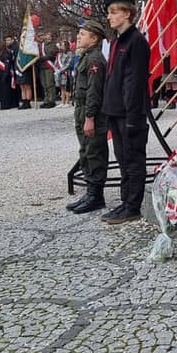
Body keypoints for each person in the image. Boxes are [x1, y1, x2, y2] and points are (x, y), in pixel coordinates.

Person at [100, 0, 150, 225]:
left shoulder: (136, 41)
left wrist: (132, 116)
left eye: (114, 12)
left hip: (130, 112)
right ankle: (125, 201)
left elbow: (135, 83)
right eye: (108, 12)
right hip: (115, 110)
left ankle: (132, 206)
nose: (109, 17)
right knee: (122, 159)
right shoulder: (117, 41)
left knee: (133, 159)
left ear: (127, 13)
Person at [66, 20, 110, 214]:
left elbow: (94, 91)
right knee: (85, 150)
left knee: (94, 152)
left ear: (94, 38)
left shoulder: (95, 60)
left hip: (92, 112)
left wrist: (90, 117)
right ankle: (90, 192)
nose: (79, 37)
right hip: (82, 109)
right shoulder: (86, 56)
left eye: (83, 34)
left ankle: (96, 196)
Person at [38, 31, 58, 108]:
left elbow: (51, 55)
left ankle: (51, 100)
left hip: (49, 66)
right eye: (46, 34)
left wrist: (41, 58)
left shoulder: (53, 45)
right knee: (44, 84)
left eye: (48, 34)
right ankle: (46, 100)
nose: (46, 36)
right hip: (42, 66)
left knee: (50, 84)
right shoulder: (41, 45)